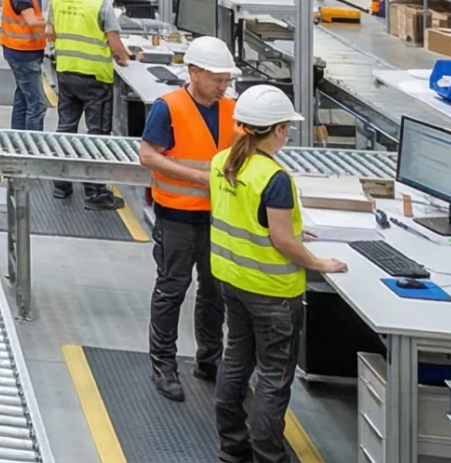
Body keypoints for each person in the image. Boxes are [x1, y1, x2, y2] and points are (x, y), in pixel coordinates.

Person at [209, 85, 346, 463]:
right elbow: (282, 241)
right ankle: (269, 456)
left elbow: (246, 217)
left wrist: (290, 228)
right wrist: (319, 262)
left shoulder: (222, 161)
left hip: (233, 281)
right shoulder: (274, 177)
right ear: (279, 130)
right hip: (272, 293)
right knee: (273, 377)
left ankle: (232, 448)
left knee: (236, 360)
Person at [139, 36, 240, 400]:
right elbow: (148, 156)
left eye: (226, 80)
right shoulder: (168, 108)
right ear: (194, 72)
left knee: (214, 293)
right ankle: (163, 365)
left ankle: (209, 360)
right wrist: (200, 177)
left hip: (218, 219)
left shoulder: (231, 110)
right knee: (172, 288)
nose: (222, 86)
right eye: (217, 79)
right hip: (177, 216)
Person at [48, 0, 131, 208]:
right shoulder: (101, 4)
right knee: (97, 134)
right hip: (96, 79)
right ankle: (95, 192)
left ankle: (61, 184)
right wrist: (126, 58)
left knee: (66, 127)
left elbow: (50, 34)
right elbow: (116, 45)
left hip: (66, 73)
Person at [0, 0, 52, 132]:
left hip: (19, 50)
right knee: (37, 105)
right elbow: (31, 21)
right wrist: (54, 24)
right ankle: (32, 147)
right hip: (23, 52)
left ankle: (18, 139)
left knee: (23, 99)